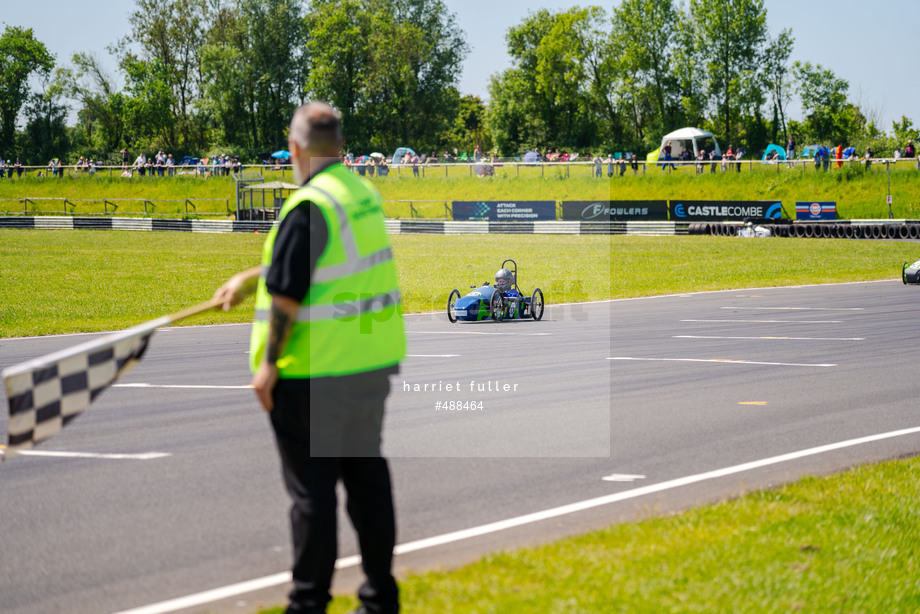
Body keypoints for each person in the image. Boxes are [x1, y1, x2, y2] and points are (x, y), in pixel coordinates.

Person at [213, 102, 404, 614]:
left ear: (295, 149)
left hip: (315, 376)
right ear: (339, 146)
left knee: (312, 497)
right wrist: (252, 275)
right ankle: (381, 598)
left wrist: (268, 364)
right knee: (367, 483)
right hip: (369, 366)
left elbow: (290, 295)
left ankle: (308, 603)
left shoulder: (308, 205)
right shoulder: (360, 194)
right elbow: (321, 262)